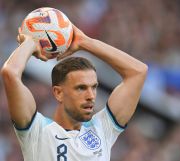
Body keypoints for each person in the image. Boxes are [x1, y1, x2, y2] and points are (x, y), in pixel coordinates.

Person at [1, 24, 148, 161]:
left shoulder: (102, 130)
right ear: (58, 93)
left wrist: (86, 42)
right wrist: (30, 42)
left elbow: (138, 72)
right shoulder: (37, 132)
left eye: (93, 87)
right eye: (81, 88)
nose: (91, 96)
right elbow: (10, 74)